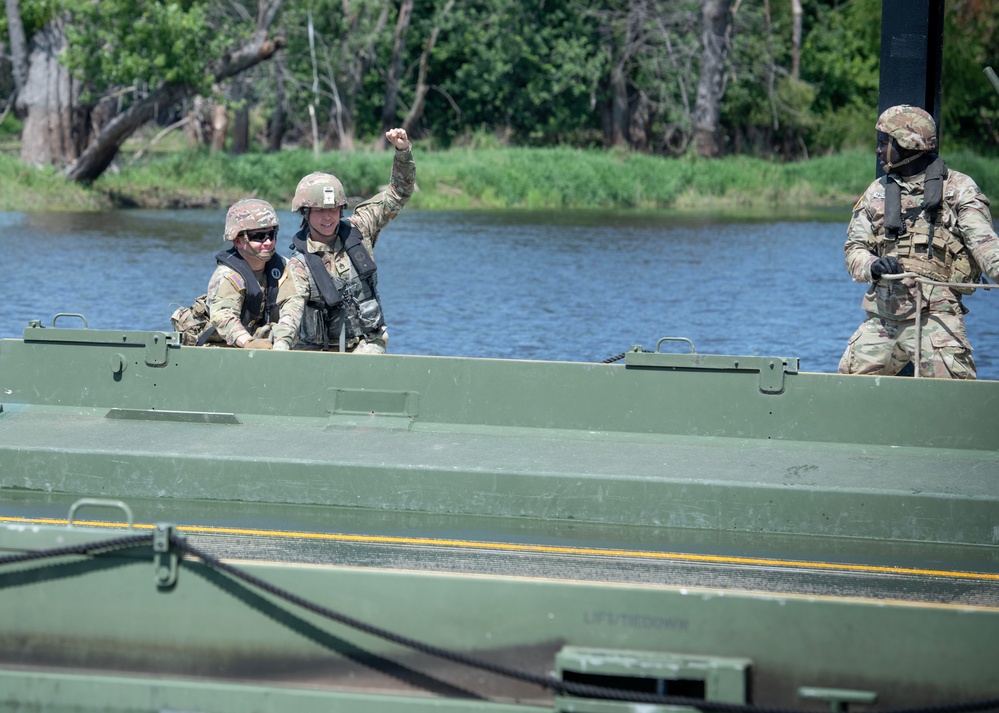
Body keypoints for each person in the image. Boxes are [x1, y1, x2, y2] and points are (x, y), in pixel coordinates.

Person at [838, 104, 999, 379]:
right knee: (845, 392)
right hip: (882, 317)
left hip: (936, 318)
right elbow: (855, 249)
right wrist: (874, 265)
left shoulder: (958, 189)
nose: (878, 150)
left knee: (953, 402)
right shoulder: (877, 192)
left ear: (907, 142)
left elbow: (985, 245)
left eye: (883, 142)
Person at [272, 128, 415, 353]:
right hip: (318, 348)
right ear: (305, 213)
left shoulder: (361, 228)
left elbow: (398, 193)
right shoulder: (299, 265)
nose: (328, 217)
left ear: (341, 209)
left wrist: (402, 151)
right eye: (319, 210)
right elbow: (291, 311)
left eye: (333, 209)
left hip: (365, 342)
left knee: (366, 359)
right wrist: (281, 345)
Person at [204, 198, 286, 349]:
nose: (267, 242)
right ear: (237, 241)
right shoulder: (227, 276)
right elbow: (223, 315)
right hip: (229, 348)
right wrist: (249, 343)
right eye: (258, 237)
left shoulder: (284, 267)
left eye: (271, 235)